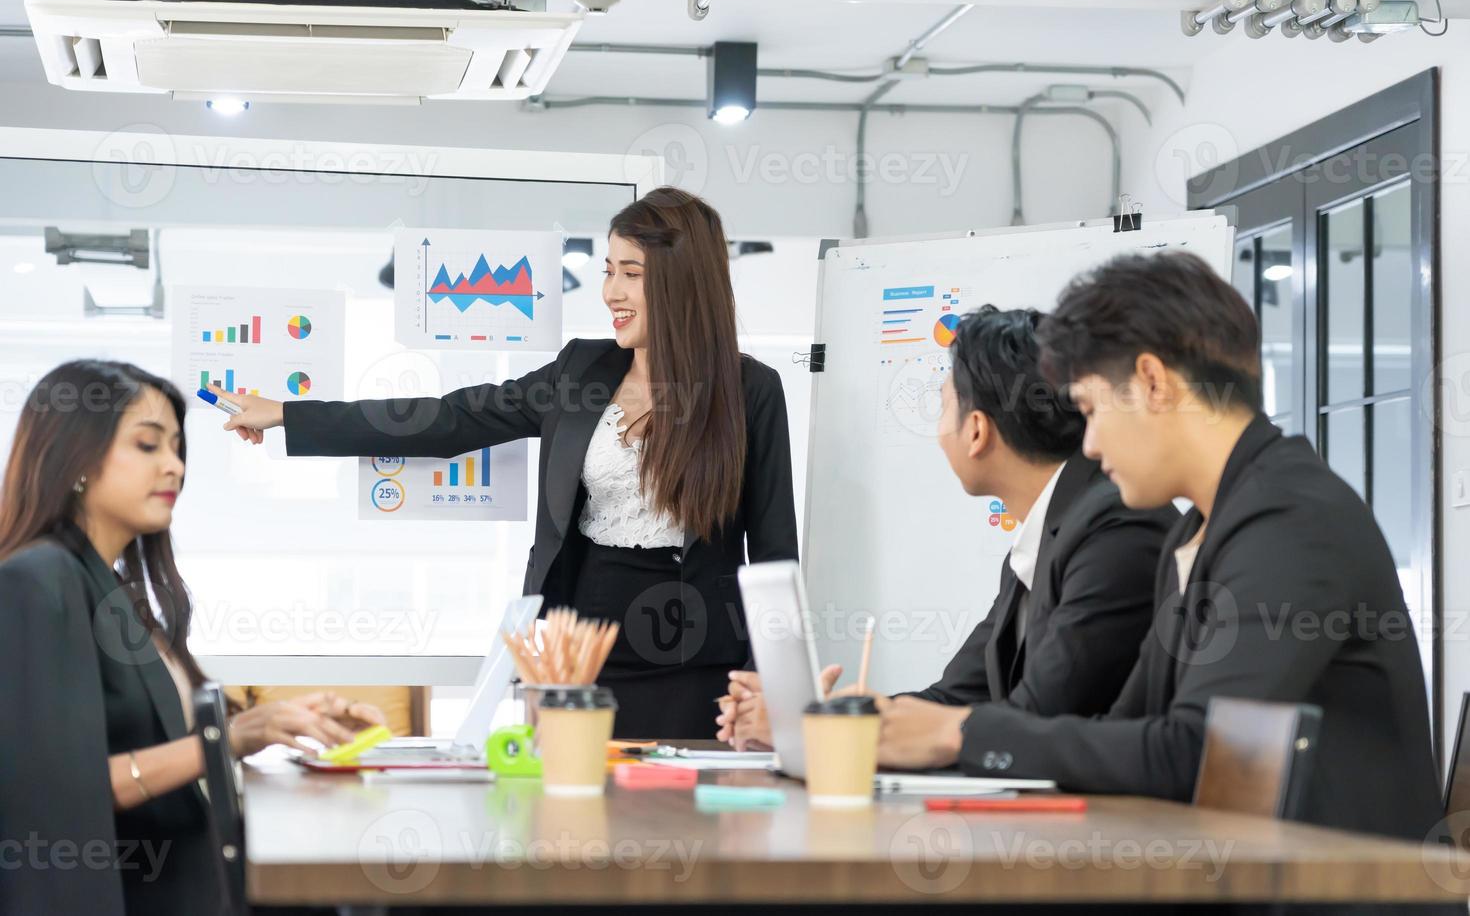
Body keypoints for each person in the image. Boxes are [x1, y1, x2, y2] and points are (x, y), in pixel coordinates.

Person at [880, 250, 1442, 843]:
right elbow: (1132, 727)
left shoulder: (1293, 518)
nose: (1089, 445)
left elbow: (1194, 752)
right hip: (1241, 868)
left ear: (1152, 382)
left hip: (1345, 889)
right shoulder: (1198, 527)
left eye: (1092, 409)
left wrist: (960, 734)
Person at [216, 187, 799, 739]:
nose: (610, 293)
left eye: (631, 274)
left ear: (681, 283)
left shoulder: (751, 391)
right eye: (607, 271)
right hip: (581, 657)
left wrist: (765, 681)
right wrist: (290, 415)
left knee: (681, 833)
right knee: (577, 831)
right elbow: (451, 419)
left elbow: (776, 556)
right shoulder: (580, 371)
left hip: (700, 666)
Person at [0, 360, 384, 916]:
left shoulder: (110, 588)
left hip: (199, 876)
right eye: (148, 445)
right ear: (75, 459)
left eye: (177, 448)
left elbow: (156, 734)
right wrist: (229, 739)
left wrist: (286, 720)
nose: (174, 466)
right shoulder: (37, 580)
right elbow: (59, 793)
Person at [717, 306, 1178, 768]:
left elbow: (1037, 715)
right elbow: (952, 699)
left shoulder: (1117, 527)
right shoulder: (1048, 537)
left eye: (943, 406)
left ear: (976, 430)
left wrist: (818, 729)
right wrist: (822, 718)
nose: (939, 433)